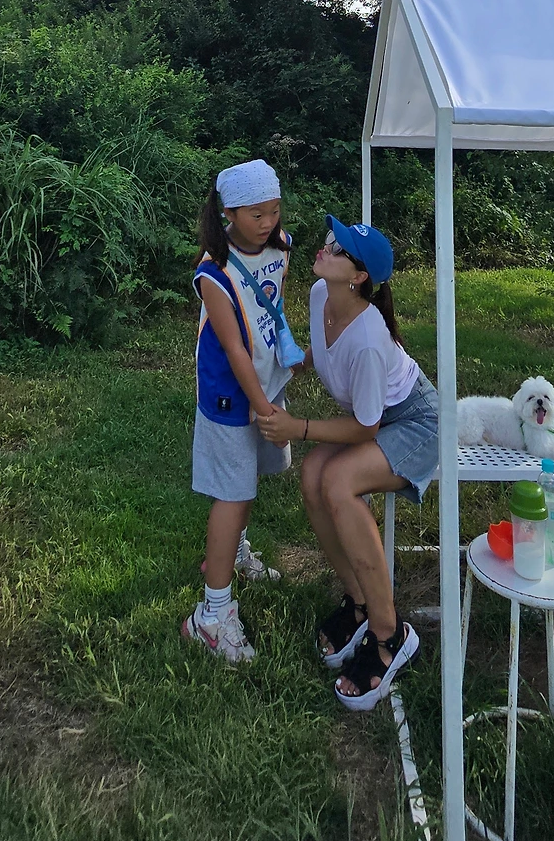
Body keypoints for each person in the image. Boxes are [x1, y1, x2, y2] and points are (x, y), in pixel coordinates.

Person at [257, 217, 438, 711]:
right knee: (312, 475)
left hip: (417, 423)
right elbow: (325, 347)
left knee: (337, 482)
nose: (325, 249)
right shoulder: (321, 294)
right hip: (376, 417)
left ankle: (389, 634)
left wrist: (299, 427)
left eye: (339, 250)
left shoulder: (370, 339)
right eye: (330, 241)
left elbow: (365, 427)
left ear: (358, 277)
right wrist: (301, 359)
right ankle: (357, 602)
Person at [182, 158, 293, 663]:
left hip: (266, 383)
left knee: (246, 482)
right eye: (256, 214)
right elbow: (233, 349)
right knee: (232, 492)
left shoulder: (281, 245)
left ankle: (233, 551)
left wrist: (285, 358)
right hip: (231, 393)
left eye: (274, 210)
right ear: (229, 213)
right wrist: (264, 408)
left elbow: (273, 306)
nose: (268, 222)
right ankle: (211, 614)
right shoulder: (213, 273)